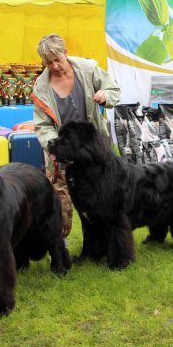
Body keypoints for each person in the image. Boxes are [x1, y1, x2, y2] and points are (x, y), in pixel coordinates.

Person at [32, 33, 121, 236]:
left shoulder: (88, 69)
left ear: (66, 53)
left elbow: (113, 88)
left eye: (57, 59)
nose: (54, 66)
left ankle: (106, 240)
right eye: (48, 62)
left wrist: (106, 95)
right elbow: (42, 126)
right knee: (60, 200)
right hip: (63, 154)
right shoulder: (40, 87)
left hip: (96, 151)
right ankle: (60, 245)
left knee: (106, 196)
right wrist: (54, 146)